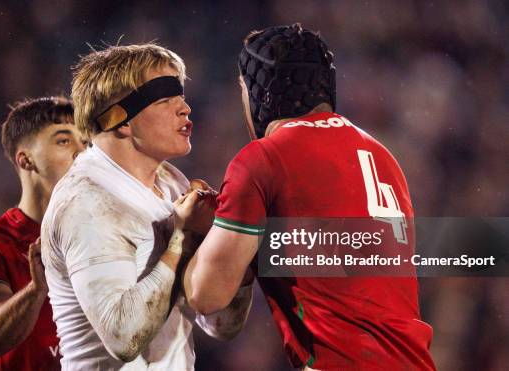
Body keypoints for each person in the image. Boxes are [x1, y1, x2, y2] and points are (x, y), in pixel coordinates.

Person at [182, 24, 436, 370]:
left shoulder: (263, 159)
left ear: (259, 94)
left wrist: (193, 232)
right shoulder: (382, 155)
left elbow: (207, 296)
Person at [41, 43, 253, 370]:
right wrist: (181, 239)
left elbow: (222, 324)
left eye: (180, 95)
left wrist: (229, 240)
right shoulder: (86, 202)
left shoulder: (171, 184)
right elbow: (123, 338)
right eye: (166, 99)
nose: (185, 108)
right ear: (121, 120)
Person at [0, 97, 88, 370]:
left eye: (86, 142)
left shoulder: (101, 234)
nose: (82, 152)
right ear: (26, 159)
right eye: (64, 141)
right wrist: (37, 289)